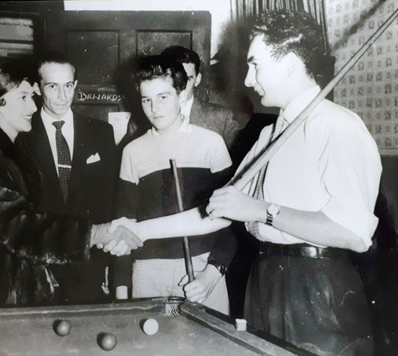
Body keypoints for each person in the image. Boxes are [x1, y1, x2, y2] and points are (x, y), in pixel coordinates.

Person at [108, 11, 382, 355]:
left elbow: (352, 232)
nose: (249, 80)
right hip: (265, 279)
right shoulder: (270, 133)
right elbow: (221, 210)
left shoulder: (335, 126)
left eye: (256, 65)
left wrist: (261, 211)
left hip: (317, 286)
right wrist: (137, 231)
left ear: (290, 64)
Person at [0, 56, 140, 309]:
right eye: (23, 98)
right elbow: (20, 226)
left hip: (22, 289)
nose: (33, 107)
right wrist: (97, 233)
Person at [113, 55, 237, 314]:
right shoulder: (132, 151)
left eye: (163, 97)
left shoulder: (212, 143)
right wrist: (121, 290)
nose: (154, 108)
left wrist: (213, 273)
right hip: (147, 272)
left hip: (202, 269)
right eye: (146, 99)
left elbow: (232, 221)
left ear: (181, 96)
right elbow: (123, 226)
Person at [15, 51, 120, 305]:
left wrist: (111, 264)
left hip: (90, 266)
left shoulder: (101, 133)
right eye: (53, 86)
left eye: (68, 86)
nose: (63, 96)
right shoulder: (19, 138)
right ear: (38, 89)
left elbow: (111, 199)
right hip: (39, 267)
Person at [161, 46, 239, 152]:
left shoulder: (223, 118)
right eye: (174, 78)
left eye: (187, 78)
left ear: (197, 80)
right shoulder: (143, 120)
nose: (181, 86)